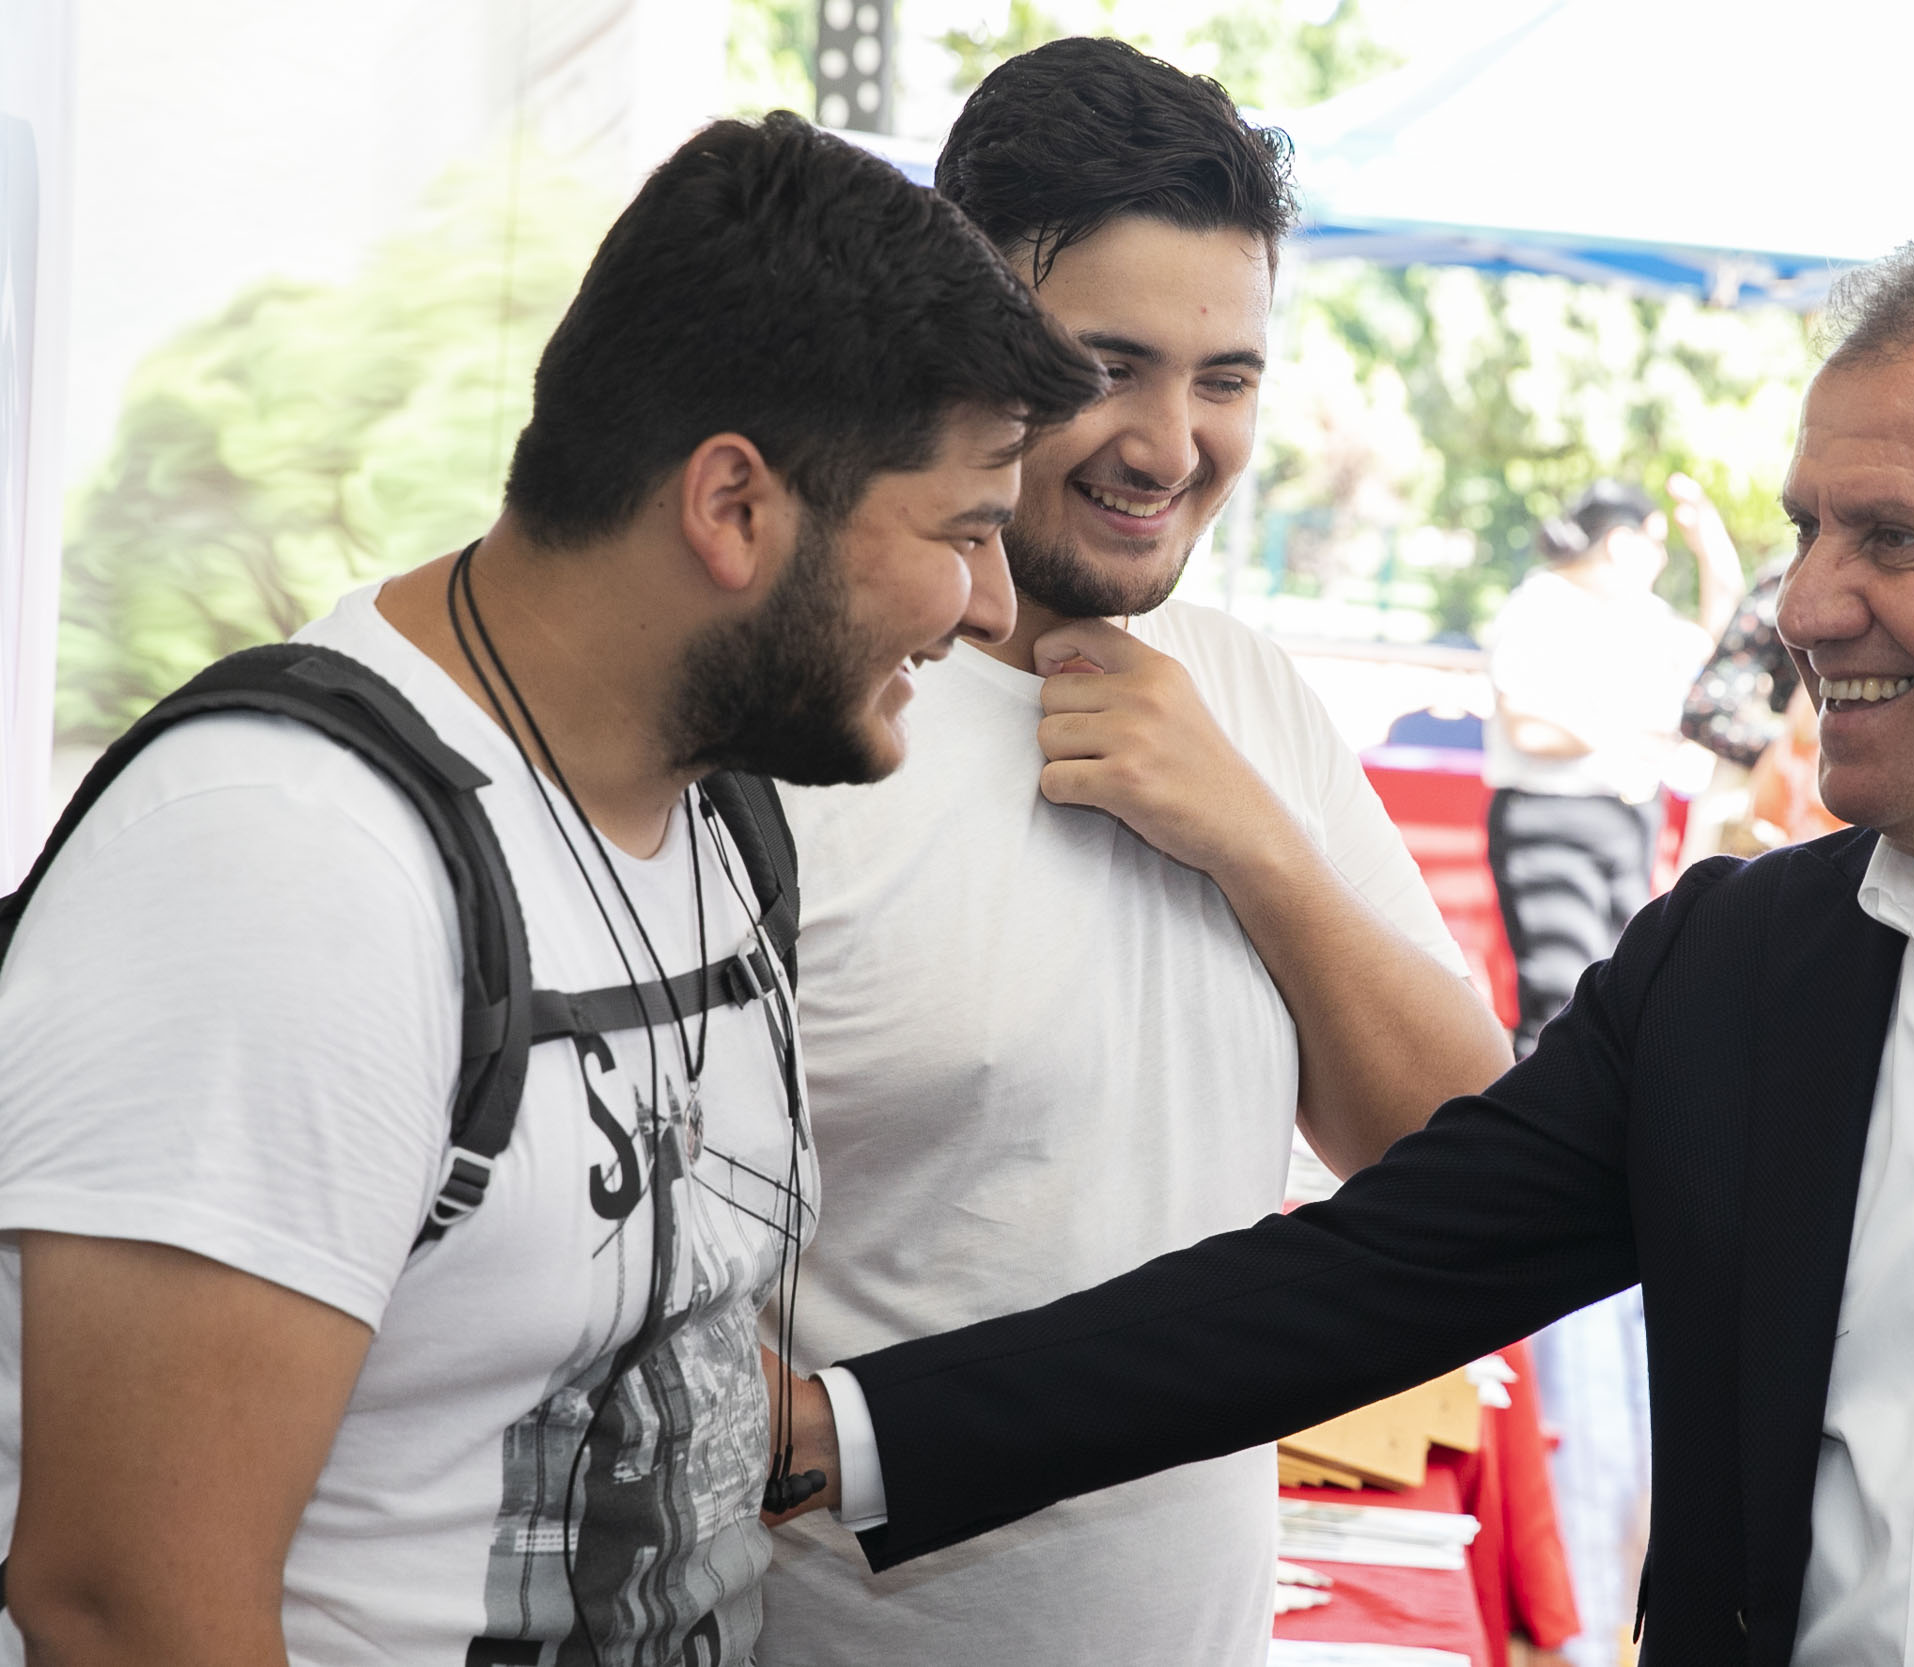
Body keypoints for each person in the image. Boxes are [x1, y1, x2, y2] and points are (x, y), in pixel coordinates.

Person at [776, 216, 1914, 1665]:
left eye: (1897, 540)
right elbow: (1333, 1293)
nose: (1807, 604)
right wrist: (842, 1430)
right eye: (1809, 526)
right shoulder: (1742, 970)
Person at [0, 114, 1101, 1665]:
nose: (987, 605)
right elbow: (121, 1603)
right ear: (733, 507)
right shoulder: (291, 861)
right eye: (966, 529)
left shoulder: (721, 815)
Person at [758, 38, 1511, 1667]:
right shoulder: (785, 729)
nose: (1172, 445)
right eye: (1106, 366)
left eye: (1225, 379)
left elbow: (1466, 1162)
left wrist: (1252, 841)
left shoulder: (1246, 694)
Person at [1483, 482, 1719, 1053]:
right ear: (1619, 542)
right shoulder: (1541, 606)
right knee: (1559, 1002)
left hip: (1628, 817)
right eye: (1656, 543)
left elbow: (1721, 645)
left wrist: (1711, 549)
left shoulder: (1642, 613)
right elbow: (1528, 728)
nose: (1662, 559)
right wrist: (1625, 738)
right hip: (1553, 818)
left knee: (1622, 999)